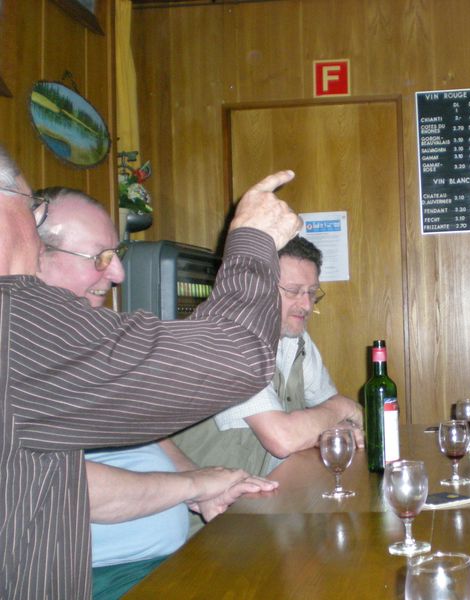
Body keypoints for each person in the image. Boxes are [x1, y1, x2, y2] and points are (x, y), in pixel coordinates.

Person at [0, 142, 303, 600]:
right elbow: (236, 356)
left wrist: (193, 483)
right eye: (32, 207)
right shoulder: (21, 323)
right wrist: (252, 239)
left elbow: (63, 471)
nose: (118, 274)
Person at [174, 236, 364, 478]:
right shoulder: (230, 341)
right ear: (258, 288)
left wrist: (333, 421)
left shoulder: (294, 338)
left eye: (312, 292)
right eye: (293, 291)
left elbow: (329, 410)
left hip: (267, 487)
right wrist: (344, 407)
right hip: (213, 498)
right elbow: (282, 438)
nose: (306, 305)